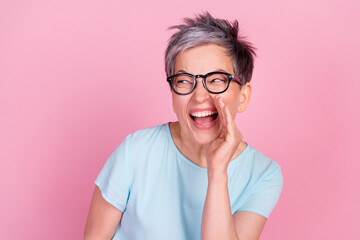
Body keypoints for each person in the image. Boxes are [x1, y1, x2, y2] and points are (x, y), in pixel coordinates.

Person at [84, 12, 283, 240]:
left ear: (243, 96)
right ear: (172, 94)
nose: (199, 96)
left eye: (216, 80)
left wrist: (217, 172)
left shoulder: (264, 174)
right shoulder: (135, 151)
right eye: (184, 81)